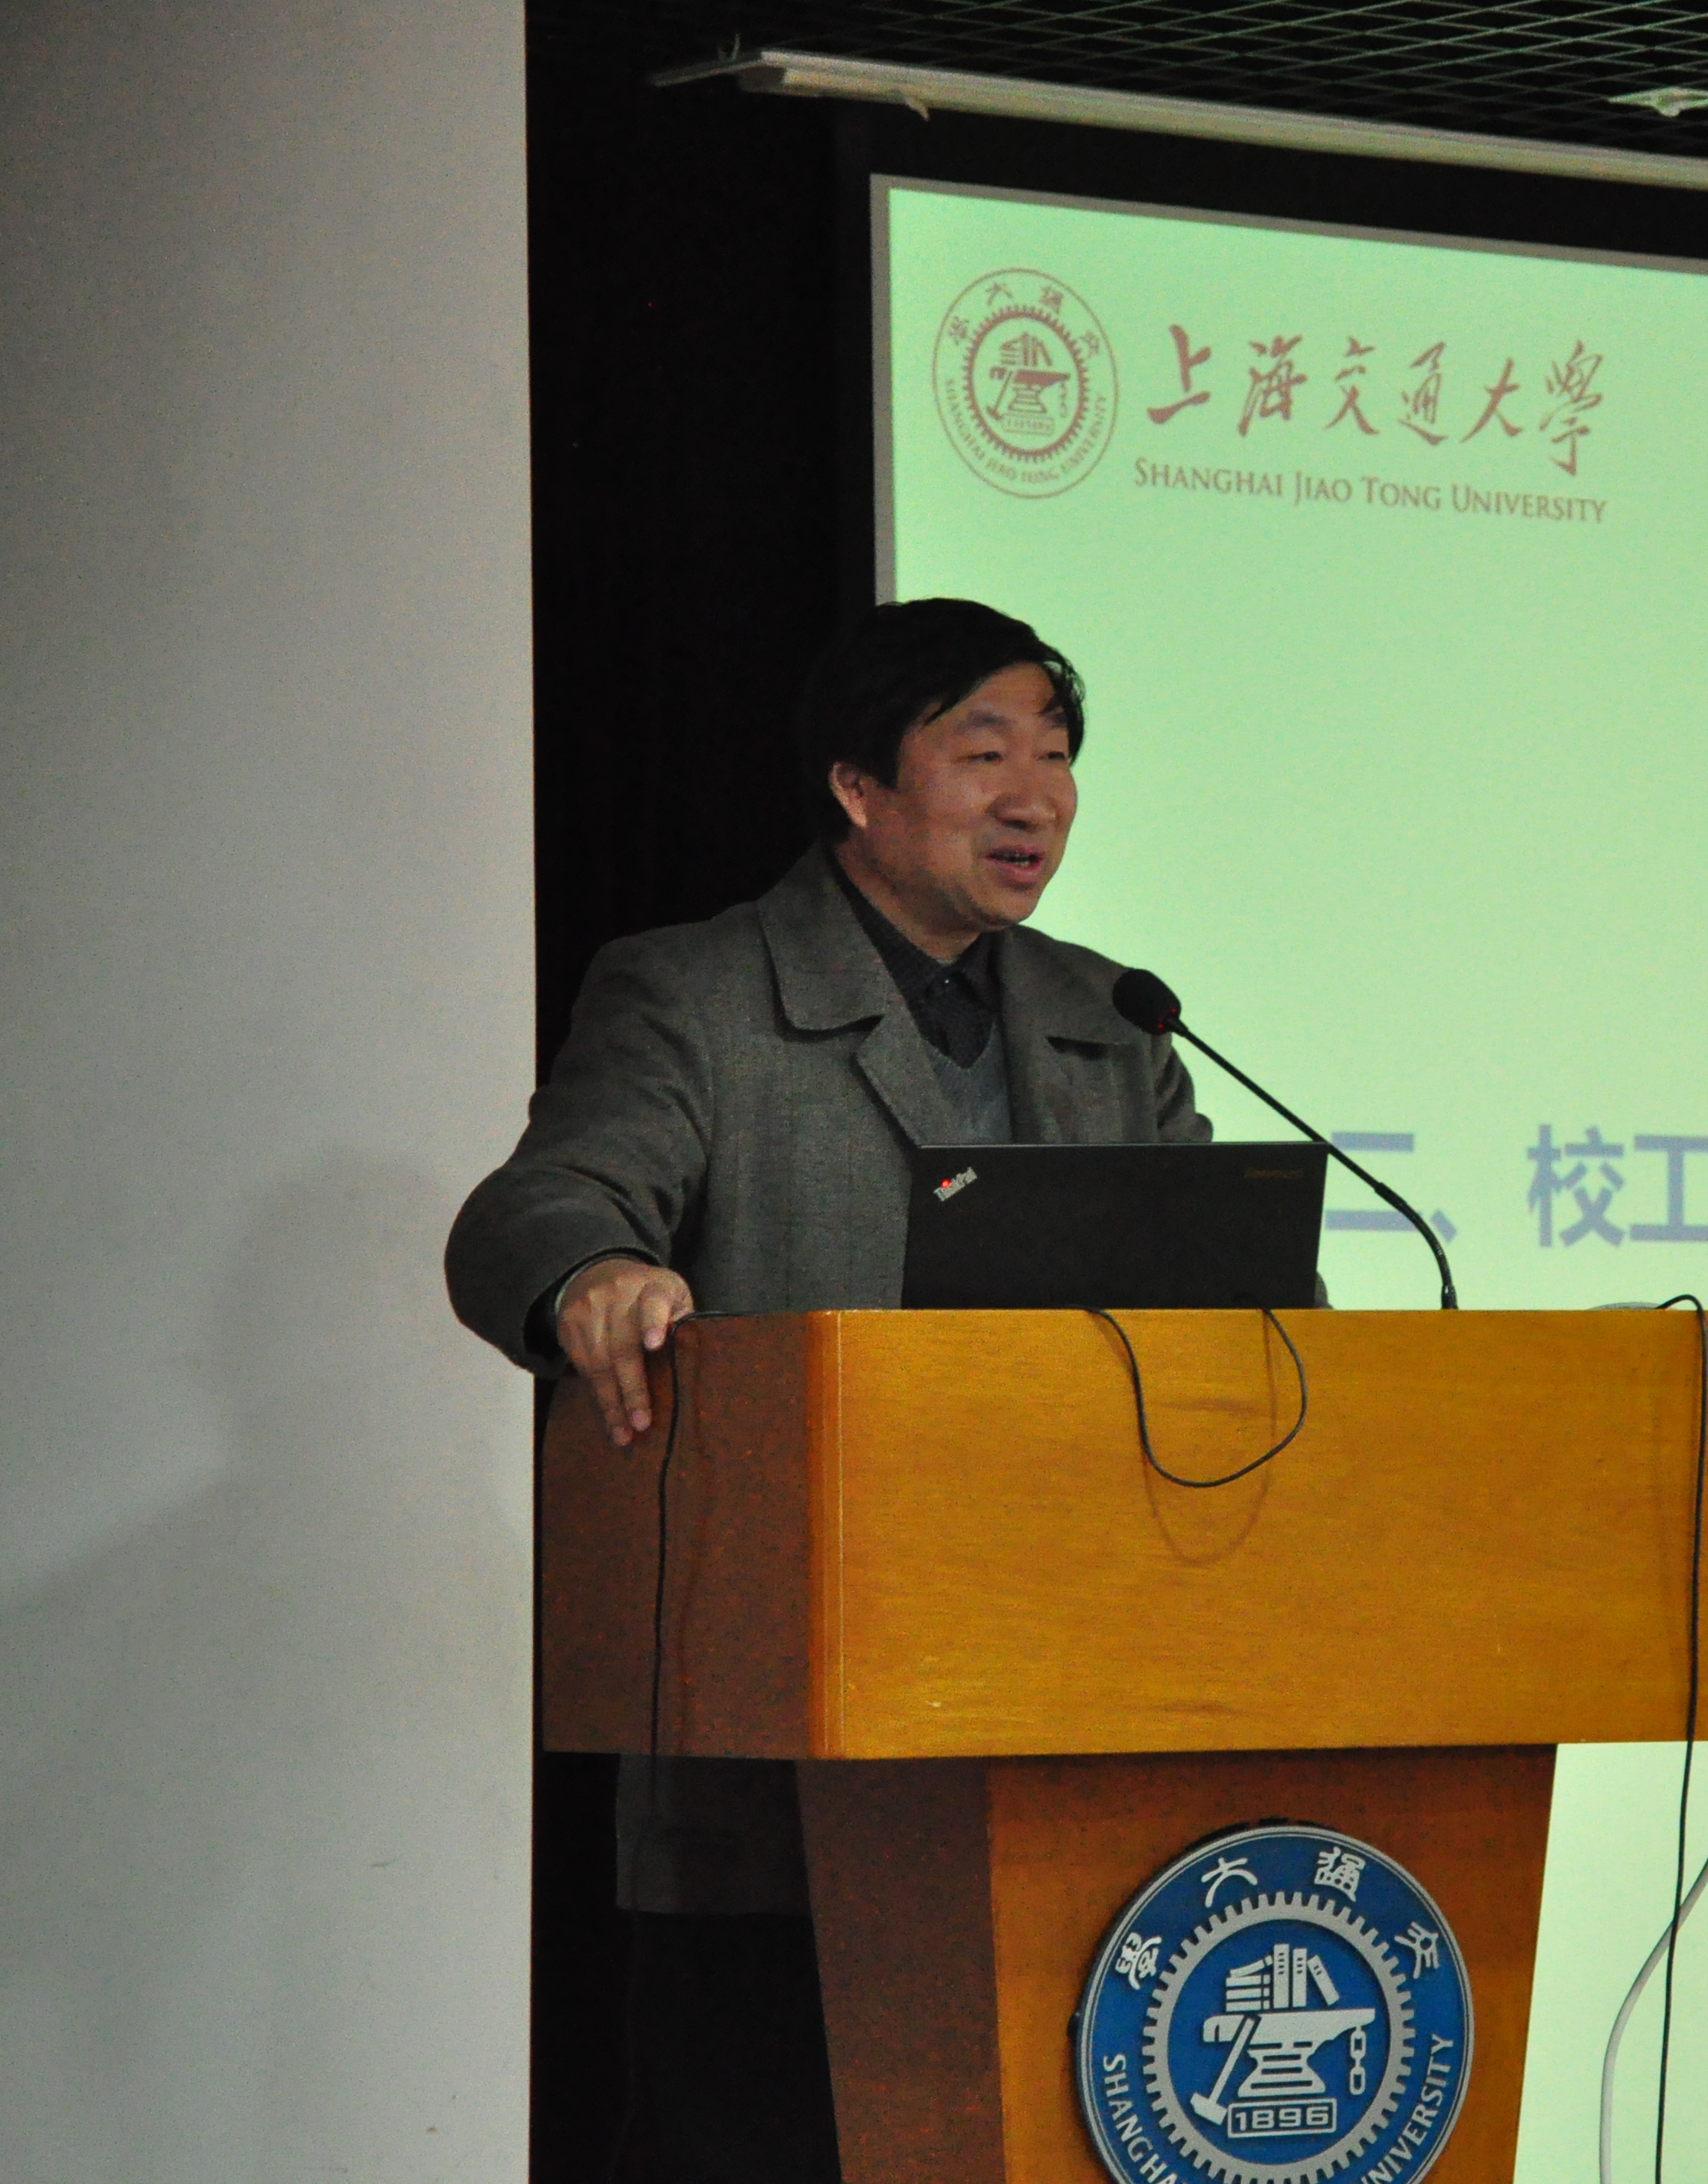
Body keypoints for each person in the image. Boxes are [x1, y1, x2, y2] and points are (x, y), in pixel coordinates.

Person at [446, 597, 1209, 2180]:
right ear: (858, 787)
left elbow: (1233, 1291)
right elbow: (540, 1199)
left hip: (1079, 1727)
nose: (1037, 796)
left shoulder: (1111, 1019)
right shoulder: (697, 994)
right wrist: (595, 1270)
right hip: (785, 1745)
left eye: (1056, 755)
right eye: (983, 754)